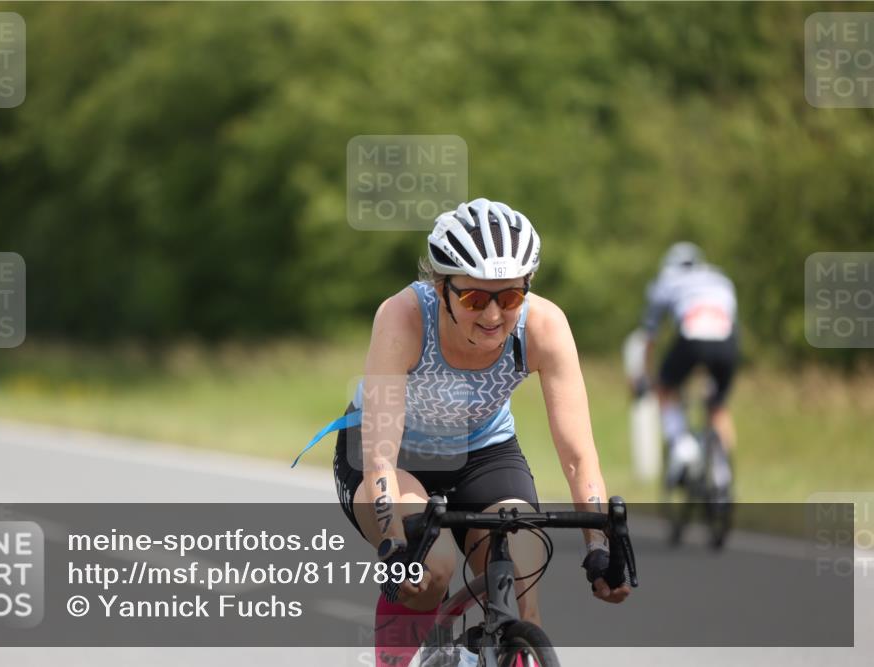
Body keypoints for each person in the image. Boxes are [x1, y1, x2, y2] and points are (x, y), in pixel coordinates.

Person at [297, 198, 629, 667]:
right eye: (474, 298)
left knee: (524, 574)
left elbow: (578, 456)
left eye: (510, 298)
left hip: (483, 451)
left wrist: (599, 548)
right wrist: (396, 545)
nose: (493, 315)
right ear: (441, 287)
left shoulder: (545, 326)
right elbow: (380, 456)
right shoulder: (403, 317)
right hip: (395, 455)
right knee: (431, 569)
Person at [638, 242, 739, 489]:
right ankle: (723, 470)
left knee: (665, 388)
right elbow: (726, 323)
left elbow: (649, 336)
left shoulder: (666, 280)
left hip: (691, 338)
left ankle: (683, 448)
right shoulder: (720, 278)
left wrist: (647, 376)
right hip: (727, 343)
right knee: (718, 406)